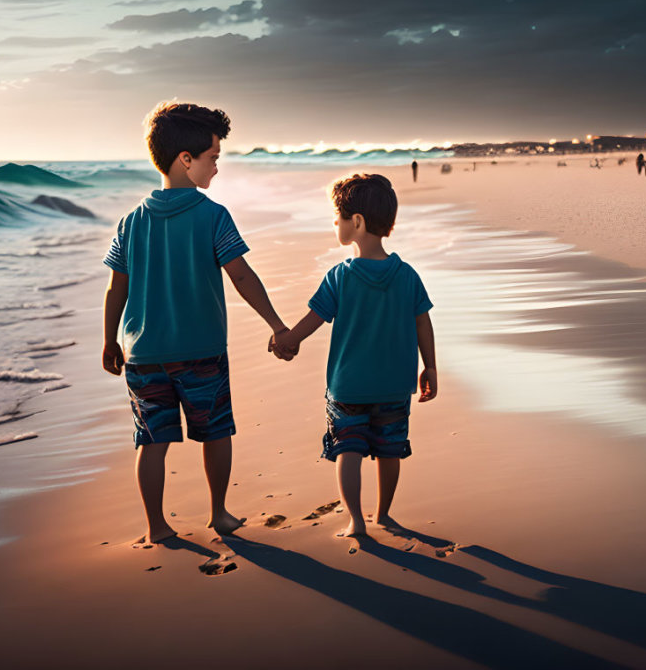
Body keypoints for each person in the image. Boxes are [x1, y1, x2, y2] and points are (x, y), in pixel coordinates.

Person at [101, 101, 291, 544]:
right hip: (202, 350)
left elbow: (116, 290)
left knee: (150, 441)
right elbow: (241, 275)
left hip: (143, 355)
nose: (217, 169)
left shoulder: (131, 222)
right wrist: (277, 325)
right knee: (216, 432)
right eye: (213, 158)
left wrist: (109, 341)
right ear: (186, 160)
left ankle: (156, 526)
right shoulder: (212, 215)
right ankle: (219, 514)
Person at [270, 174, 437, 538]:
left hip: (349, 388)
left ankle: (356, 521)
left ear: (357, 222)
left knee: (348, 451)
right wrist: (431, 367)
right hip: (394, 386)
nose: (336, 223)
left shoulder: (340, 277)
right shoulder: (407, 275)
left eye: (338, 217)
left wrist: (286, 340)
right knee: (390, 451)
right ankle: (385, 515)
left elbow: (313, 320)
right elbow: (423, 324)